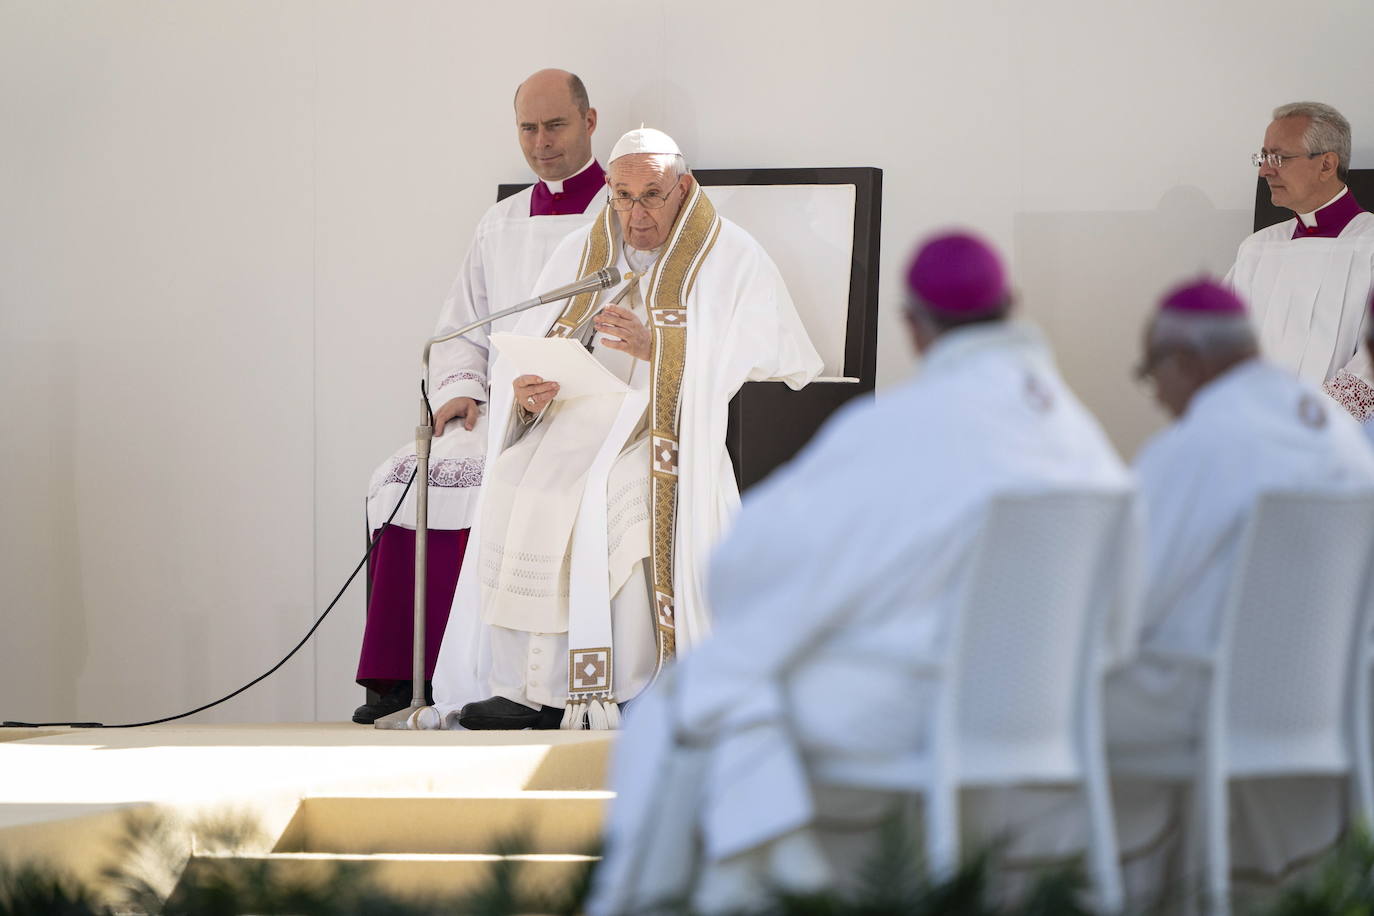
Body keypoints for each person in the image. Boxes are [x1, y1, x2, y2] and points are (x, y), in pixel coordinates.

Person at [587, 233, 1136, 915]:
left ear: (912, 324)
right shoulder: (1082, 442)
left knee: (685, 706)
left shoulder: (901, 428)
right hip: (1053, 722)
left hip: (918, 716)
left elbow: (744, 563)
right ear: (1013, 306)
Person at [417, 128, 823, 731]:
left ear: (682, 188)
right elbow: (532, 344)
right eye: (622, 196)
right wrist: (526, 394)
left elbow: (773, 361)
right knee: (512, 477)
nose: (635, 215)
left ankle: (615, 684)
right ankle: (525, 688)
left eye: (652, 196)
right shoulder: (584, 251)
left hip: (662, 427)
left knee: (601, 495)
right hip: (576, 417)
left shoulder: (730, 254)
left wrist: (661, 346)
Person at [1105, 279, 1374, 898]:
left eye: (1153, 375)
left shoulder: (1192, 448)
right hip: (1333, 703)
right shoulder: (1342, 436)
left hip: (1210, 699)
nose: (1159, 397)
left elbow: (1126, 600)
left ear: (1187, 362)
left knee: (1036, 717)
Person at [352, 69, 606, 724]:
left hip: (584, 407)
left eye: (556, 126)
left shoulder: (621, 216)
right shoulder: (500, 224)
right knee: (407, 476)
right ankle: (403, 676)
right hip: (500, 407)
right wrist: (461, 391)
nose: (542, 143)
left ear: (590, 122)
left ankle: (508, 680)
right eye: (528, 128)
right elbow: (459, 328)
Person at [1225, 101, 1374, 415]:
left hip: (1341, 442)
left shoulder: (1369, 243)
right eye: (1263, 157)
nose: (1265, 170)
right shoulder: (1258, 248)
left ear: (1326, 165)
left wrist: (1313, 424)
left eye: (1278, 157)